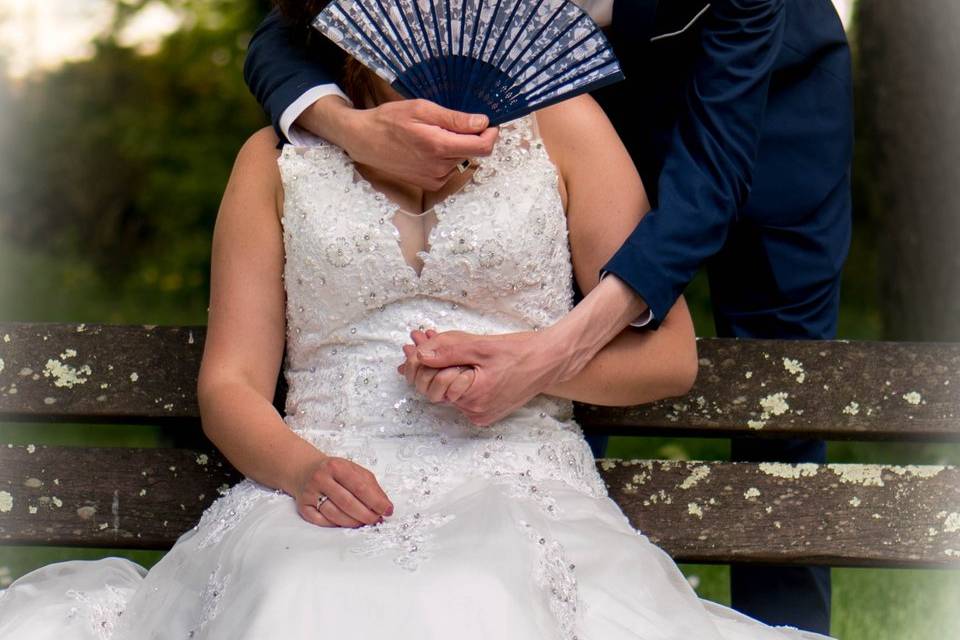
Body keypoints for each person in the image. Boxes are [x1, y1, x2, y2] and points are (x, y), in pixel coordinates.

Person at [0, 3, 837, 638]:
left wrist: (536, 365)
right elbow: (231, 381)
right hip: (321, 483)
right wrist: (300, 469)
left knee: (495, 586)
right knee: (302, 594)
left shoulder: (561, 126)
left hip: (748, 103)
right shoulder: (277, 158)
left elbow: (697, 227)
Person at [243, 0, 852, 634]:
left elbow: (707, 190)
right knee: (548, 445)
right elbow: (289, 31)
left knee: (783, 406)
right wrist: (352, 127)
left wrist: (550, 353)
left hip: (762, 112)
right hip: (561, 102)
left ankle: (790, 623)